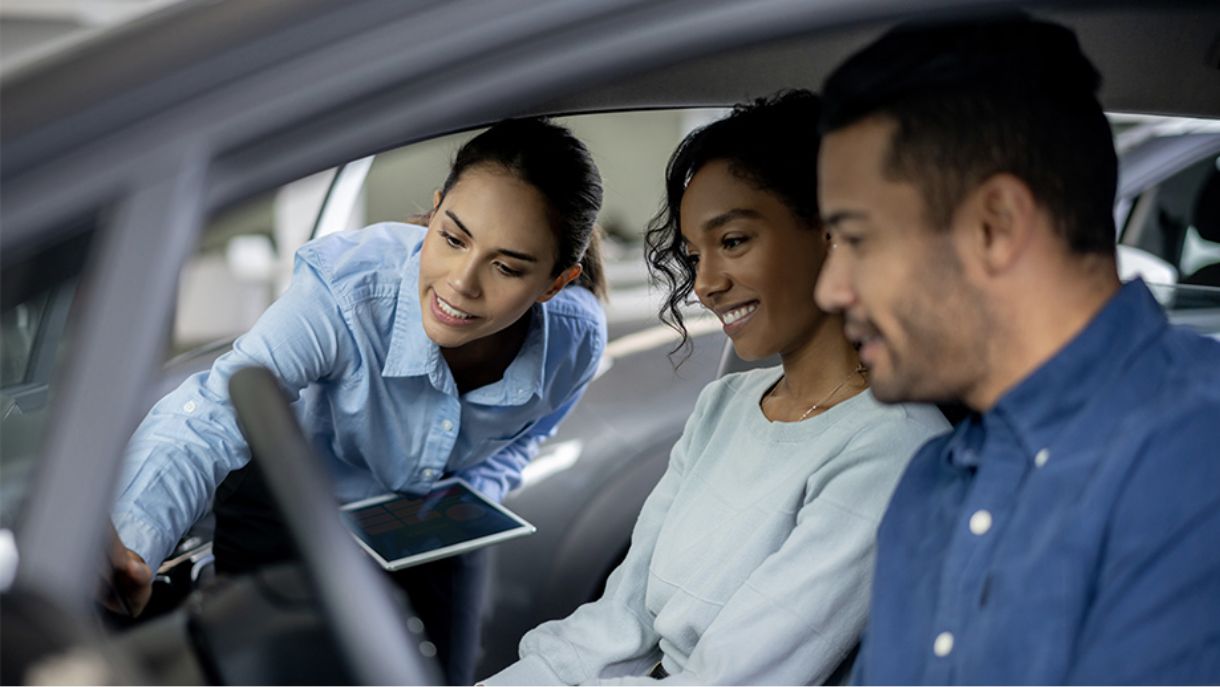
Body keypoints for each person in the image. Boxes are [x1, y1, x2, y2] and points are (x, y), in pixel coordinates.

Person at [107, 118, 609, 685]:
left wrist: (464, 502)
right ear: (437, 208)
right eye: (452, 238)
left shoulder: (577, 340)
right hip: (290, 506)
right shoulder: (344, 292)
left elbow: (527, 439)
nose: (461, 284)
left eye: (507, 266)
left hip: (432, 521)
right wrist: (130, 542)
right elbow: (210, 415)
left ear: (554, 282)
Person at [483, 91, 947, 686]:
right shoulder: (722, 406)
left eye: (733, 242)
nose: (704, 284)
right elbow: (617, 620)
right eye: (695, 254)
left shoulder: (893, 449)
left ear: (834, 230)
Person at [813, 14, 1220, 685]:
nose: (831, 288)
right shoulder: (927, 484)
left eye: (857, 239)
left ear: (995, 227)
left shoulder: (1194, 456)